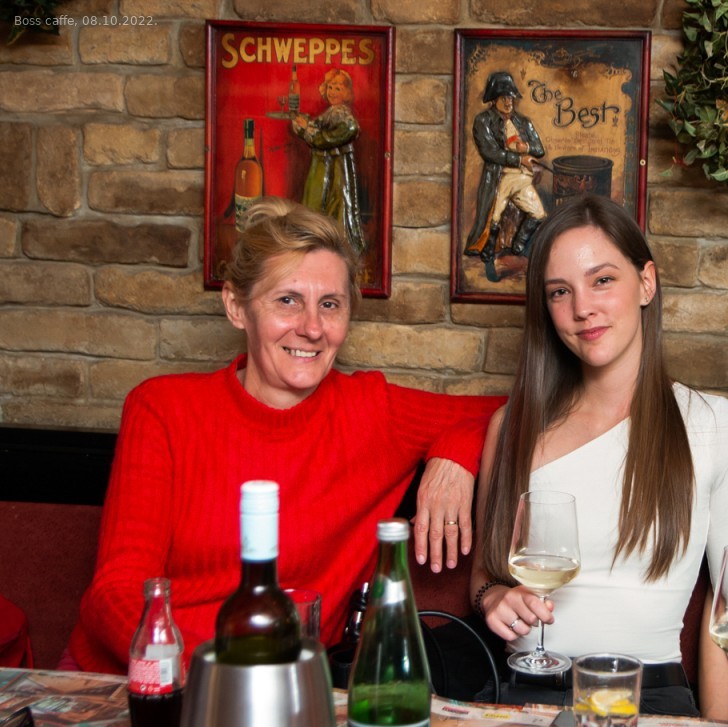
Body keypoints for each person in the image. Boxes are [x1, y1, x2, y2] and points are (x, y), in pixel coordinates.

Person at [68, 198, 503, 674]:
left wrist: (456, 452)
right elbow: (116, 591)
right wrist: (208, 679)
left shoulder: (373, 411)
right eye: (287, 300)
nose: (312, 328)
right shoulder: (161, 408)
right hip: (136, 679)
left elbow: (527, 411)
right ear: (236, 306)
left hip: (281, 689)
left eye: (329, 305)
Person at [469, 195, 728, 717]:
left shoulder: (720, 428)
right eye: (560, 291)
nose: (582, 308)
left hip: (649, 697)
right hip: (522, 692)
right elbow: (483, 572)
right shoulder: (512, 427)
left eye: (602, 280)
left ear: (647, 283)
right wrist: (492, 599)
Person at [462, 71, 547, 282]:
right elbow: (490, 152)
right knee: (493, 218)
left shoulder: (523, 122)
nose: (509, 102)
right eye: (503, 98)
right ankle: (488, 258)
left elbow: (538, 148)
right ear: (494, 99)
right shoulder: (483, 121)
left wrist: (526, 147)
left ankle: (519, 246)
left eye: (510, 97)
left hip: (522, 179)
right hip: (500, 178)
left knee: (538, 214)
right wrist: (519, 159)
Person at [291, 68, 367, 259]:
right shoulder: (331, 113)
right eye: (330, 87)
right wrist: (305, 124)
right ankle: (318, 244)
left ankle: (334, 246)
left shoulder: (342, 114)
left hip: (335, 169)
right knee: (319, 203)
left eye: (338, 88)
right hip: (323, 166)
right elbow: (317, 127)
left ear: (347, 92)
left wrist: (309, 132)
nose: (333, 92)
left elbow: (347, 129)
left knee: (334, 204)